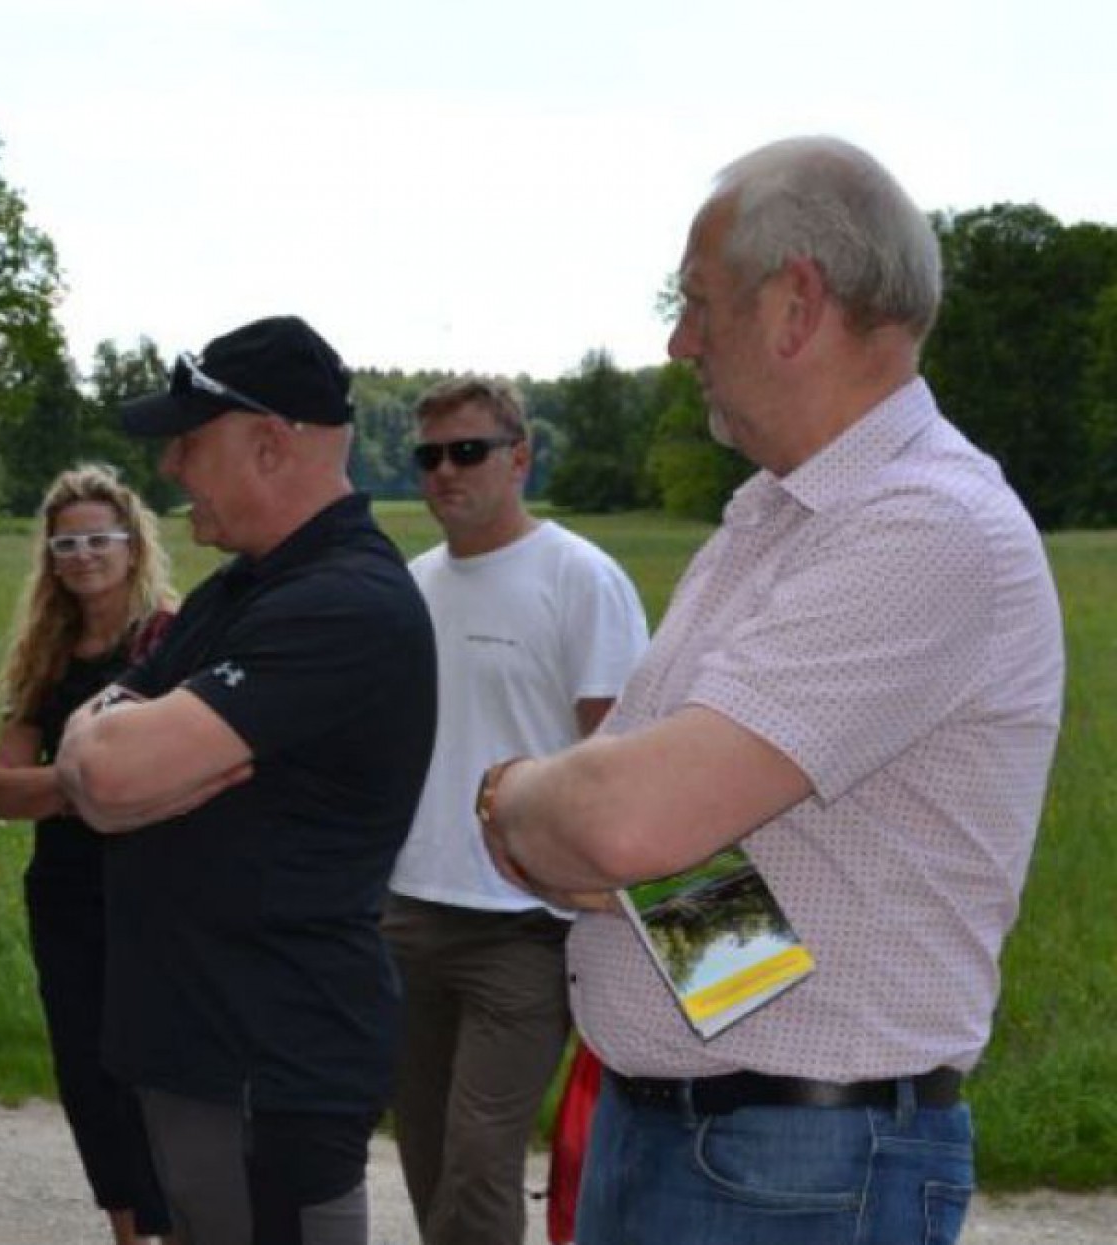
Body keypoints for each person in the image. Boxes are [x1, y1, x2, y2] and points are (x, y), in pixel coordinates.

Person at [478, 137, 1064, 1245]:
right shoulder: (773, 522)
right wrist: (615, 849)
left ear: (794, 304)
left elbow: (624, 820)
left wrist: (508, 794)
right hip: (715, 1138)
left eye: (697, 303)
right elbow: (665, 865)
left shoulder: (922, 528)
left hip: (797, 1165)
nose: (676, 340)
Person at [56, 315, 439, 1245]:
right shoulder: (246, 588)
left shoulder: (344, 603)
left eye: (192, 440)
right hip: (201, 1051)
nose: (174, 467)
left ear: (271, 443)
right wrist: (116, 754)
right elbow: (91, 759)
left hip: (269, 1064)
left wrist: (119, 757)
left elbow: (108, 772)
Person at [381, 377, 648, 1245]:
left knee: (478, 1158)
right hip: (408, 911)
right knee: (423, 1152)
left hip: (525, 926)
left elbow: (622, 757)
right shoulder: (409, 587)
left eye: (468, 451)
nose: (445, 472)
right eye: (428, 456)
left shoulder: (580, 577)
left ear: (520, 458)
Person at [0, 464, 178, 1245]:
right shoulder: (46, 653)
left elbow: (173, 766)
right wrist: (88, 782)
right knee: (88, 1075)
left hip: (154, 892)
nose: (83, 554)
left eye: (100, 538)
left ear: (132, 546)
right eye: (67, 542)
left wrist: (61, 782)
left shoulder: (170, 639)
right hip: (66, 893)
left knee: (156, 1073)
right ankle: (127, 1232)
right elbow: (2, 790)